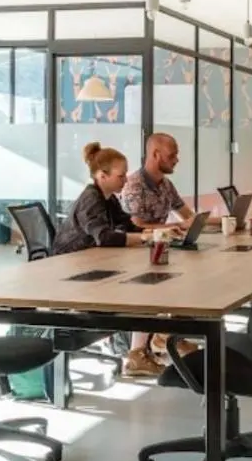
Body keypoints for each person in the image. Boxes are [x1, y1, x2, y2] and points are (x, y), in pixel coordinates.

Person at [52, 142, 166, 378]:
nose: (126, 181)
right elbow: (103, 237)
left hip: (93, 263)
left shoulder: (107, 198)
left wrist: (152, 232)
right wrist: (144, 238)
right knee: (142, 285)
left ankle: (149, 345)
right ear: (102, 176)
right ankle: (142, 350)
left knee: (151, 281)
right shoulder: (91, 199)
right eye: (121, 176)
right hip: (71, 272)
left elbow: (126, 224)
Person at [121, 132, 195, 230]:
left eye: (176, 155)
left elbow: (190, 217)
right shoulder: (134, 187)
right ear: (156, 155)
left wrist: (221, 220)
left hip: (161, 243)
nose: (176, 160)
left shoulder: (166, 184)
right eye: (171, 156)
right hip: (140, 244)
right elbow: (137, 228)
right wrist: (179, 226)